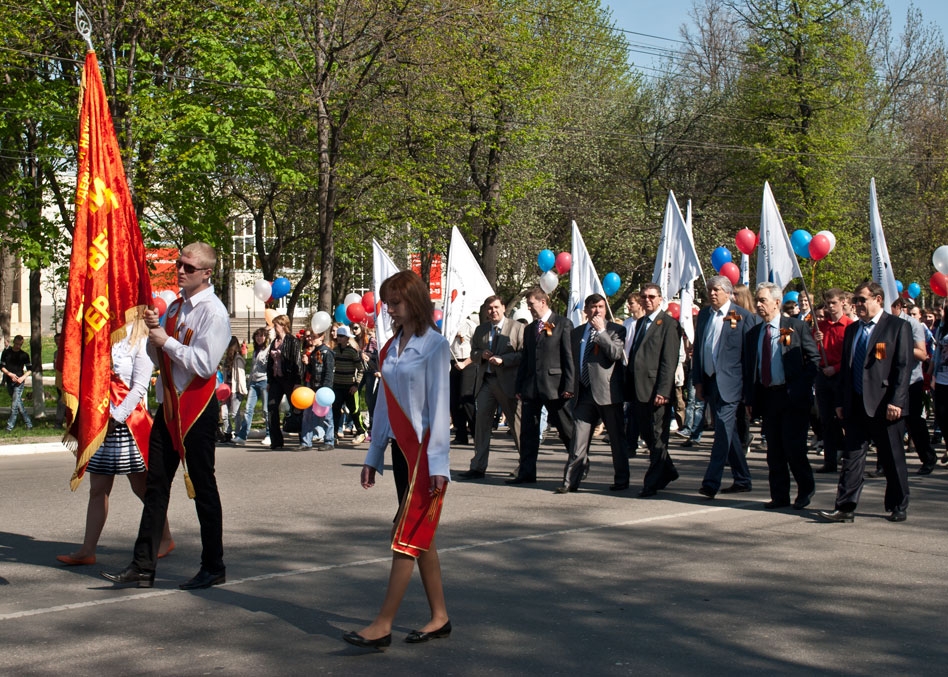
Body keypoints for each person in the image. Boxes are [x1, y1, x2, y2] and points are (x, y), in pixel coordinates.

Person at [102, 242, 231, 589]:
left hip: (197, 410)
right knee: (156, 485)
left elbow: (204, 364)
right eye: (180, 264)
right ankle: (142, 565)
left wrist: (165, 340)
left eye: (190, 267)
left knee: (203, 487)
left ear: (207, 272)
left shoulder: (213, 313)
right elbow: (157, 354)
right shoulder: (175, 307)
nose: (182, 271)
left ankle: (213, 565)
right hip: (170, 409)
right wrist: (153, 331)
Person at [343, 270, 451, 650]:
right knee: (420, 534)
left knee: (404, 536)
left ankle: (383, 624)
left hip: (424, 454)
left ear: (415, 301)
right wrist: (373, 454)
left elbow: (439, 409)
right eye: (387, 302)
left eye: (396, 302)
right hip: (400, 452)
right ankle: (440, 616)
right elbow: (384, 409)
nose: (389, 309)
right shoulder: (389, 348)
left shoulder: (436, 345)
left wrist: (439, 466)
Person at [57, 328, 174, 566]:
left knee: (141, 487)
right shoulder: (97, 333)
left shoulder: (139, 338)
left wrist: (116, 417)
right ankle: (88, 550)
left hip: (128, 424)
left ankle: (166, 537)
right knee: (98, 488)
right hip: (100, 423)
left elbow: (140, 387)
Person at [818, 281, 913, 523]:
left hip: (884, 405)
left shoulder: (896, 327)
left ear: (878, 300)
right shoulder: (853, 330)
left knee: (891, 456)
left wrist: (897, 402)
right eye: (856, 301)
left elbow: (903, 368)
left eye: (862, 300)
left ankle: (898, 503)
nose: (857, 305)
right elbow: (847, 371)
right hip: (856, 404)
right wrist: (841, 401)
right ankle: (845, 507)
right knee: (852, 457)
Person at [743, 283, 819, 510]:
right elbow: (750, 369)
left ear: (777, 302)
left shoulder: (795, 327)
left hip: (792, 397)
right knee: (774, 450)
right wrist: (749, 399)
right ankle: (779, 495)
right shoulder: (754, 333)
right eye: (757, 300)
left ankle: (805, 490)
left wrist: (801, 387)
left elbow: (813, 359)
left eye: (763, 300)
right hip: (768, 397)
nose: (758, 304)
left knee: (793, 448)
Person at [692, 275, 755, 498]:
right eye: (709, 290)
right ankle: (743, 477)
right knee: (728, 433)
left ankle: (711, 482)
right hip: (710, 381)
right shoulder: (705, 315)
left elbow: (749, 358)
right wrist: (697, 381)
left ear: (728, 293)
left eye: (717, 290)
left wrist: (749, 393)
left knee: (721, 431)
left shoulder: (743, 317)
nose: (712, 293)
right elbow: (699, 348)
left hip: (731, 384)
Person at [560, 294, 627, 493]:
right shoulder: (578, 332)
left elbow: (615, 354)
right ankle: (570, 481)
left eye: (600, 306)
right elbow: (571, 361)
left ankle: (622, 479)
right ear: (586, 310)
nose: (597, 310)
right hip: (584, 392)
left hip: (607, 393)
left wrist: (602, 332)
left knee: (616, 439)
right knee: (578, 439)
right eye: (593, 306)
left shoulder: (616, 330)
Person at [508, 288, 575, 485]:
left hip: (555, 387)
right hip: (531, 388)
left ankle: (579, 464)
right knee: (528, 432)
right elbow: (526, 359)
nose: (529, 308)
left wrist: (569, 385)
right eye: (528, 305)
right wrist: (519, 386)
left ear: (543, 301)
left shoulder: (562, 323)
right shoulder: (530, 329)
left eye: (531, 303)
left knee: (566, 429)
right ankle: (526, 473)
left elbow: (568, 357)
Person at [458, 295, 524, 479]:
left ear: (504, 308)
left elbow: (523, 355)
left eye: (496, 307)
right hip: (486, 381)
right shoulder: (481, 330)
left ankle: (524, 464)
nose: (493, 311)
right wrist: (482, 355)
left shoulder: (517, 328)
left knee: (516, 425)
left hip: (508, 383)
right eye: (489, 308)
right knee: (481, 425)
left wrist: (504, 360)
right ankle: (478, 466)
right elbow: (473, 352)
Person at [626, 284, 681, 497]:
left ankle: (652, 482)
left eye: (651, 297)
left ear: (660, 299)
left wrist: (664, 391)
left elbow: (669, 361)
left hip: (656, 391)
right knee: (647, 434)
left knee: (658, 437)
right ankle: (668, 470)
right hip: (639, 391)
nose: (647, 300)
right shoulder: (640, 323)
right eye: (644, 297)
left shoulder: (669, 324)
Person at [891, 299, 937, 475]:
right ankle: (886, 464)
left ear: (898, 306)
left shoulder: (913, 325)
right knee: (889, 425)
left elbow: (922, 354)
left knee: (914, 423)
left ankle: (927, 456)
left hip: (911, 382)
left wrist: (900, 347)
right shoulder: (882, 324)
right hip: (889, 382)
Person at [812, 289, 853, 473]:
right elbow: (812, 351)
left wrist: (835, 368)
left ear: (843, 302)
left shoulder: (850, 326)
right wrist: (815, 340)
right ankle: (830, 461)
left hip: (841, 376)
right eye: (828, 303)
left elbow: (851, 356)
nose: (830, 307)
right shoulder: (820, 327)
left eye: (834, 303)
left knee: (845, 418)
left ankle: (850, 458)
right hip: (823, 376)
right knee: (826, 419)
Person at [266, 315, 302, 451]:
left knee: (297, 407)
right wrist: (269, 380)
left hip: (289, 379)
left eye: (276, 325)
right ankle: (276, 441)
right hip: (276, 379)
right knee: (271, 407)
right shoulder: (274, 342)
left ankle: (303, 438)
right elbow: (269, 363)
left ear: (283, 325)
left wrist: (297, 381)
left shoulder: (292, 341)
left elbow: (297, 361)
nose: (274, 328)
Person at [300, 328, 335, 449]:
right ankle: (306, 442)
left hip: (323, 390)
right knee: (307, 415)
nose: (311, 339)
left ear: (321, 337)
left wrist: (326, 389)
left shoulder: (327, 352)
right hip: (313, 387)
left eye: (314, 337)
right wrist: (307, 364)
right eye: (310, 337)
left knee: (327, 416)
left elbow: (329, 372)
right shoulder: (315, 352)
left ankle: (329, 441)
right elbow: (312, 371)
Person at [332, 326, 367, 444]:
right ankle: (334, 433)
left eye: (342, 336)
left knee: (354, 410)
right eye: (338, 336)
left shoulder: (352, 352)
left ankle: (361, 431)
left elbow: (361, 369)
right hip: (337, 385)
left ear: (347, 338)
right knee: (336, 410)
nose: (339, 339)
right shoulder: (335, 351)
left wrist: (356, 384)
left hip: (349, 387)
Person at [236, 327, 270, 446]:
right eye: (257, 336)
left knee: (266, 410)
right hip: (254, 382)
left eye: (262, 336)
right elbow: (253, 368)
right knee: (248, 409)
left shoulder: (268, 350)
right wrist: (249, 380)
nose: (259, 338)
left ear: (266, 338)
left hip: (264, 381)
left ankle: (269, 434)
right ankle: (242, 435)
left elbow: (268, 366)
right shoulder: (255, 350)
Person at [448, 314, 478, 445]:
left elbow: (477, 350)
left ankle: (477, 433)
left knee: (465, 398)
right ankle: (461, 434)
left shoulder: (470, 325)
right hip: (452, 362)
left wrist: (465, 363)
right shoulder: (447, 326)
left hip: (467, 363)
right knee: (454, 400)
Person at [218, 336, 247, 443]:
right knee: (224, 412)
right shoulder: (227, 359)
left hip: (235, 388)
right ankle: (227, 432)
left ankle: (238, 433)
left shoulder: (238, 358)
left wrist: (242, 389)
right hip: (226, 389)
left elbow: (241, 374)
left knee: (235, 413)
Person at [2, 335, 33, 431]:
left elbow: (30, 369)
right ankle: (29, 423)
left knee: (14, 405)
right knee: (19, 404)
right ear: (13, 342)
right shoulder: (6, 353)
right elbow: (1, 366)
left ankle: (9, 426)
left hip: (19, 383)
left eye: (20, 344)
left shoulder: (24, 355)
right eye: (16, 344)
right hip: (9, 381)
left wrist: (23, 378)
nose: (18, 346)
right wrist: (9, 374)